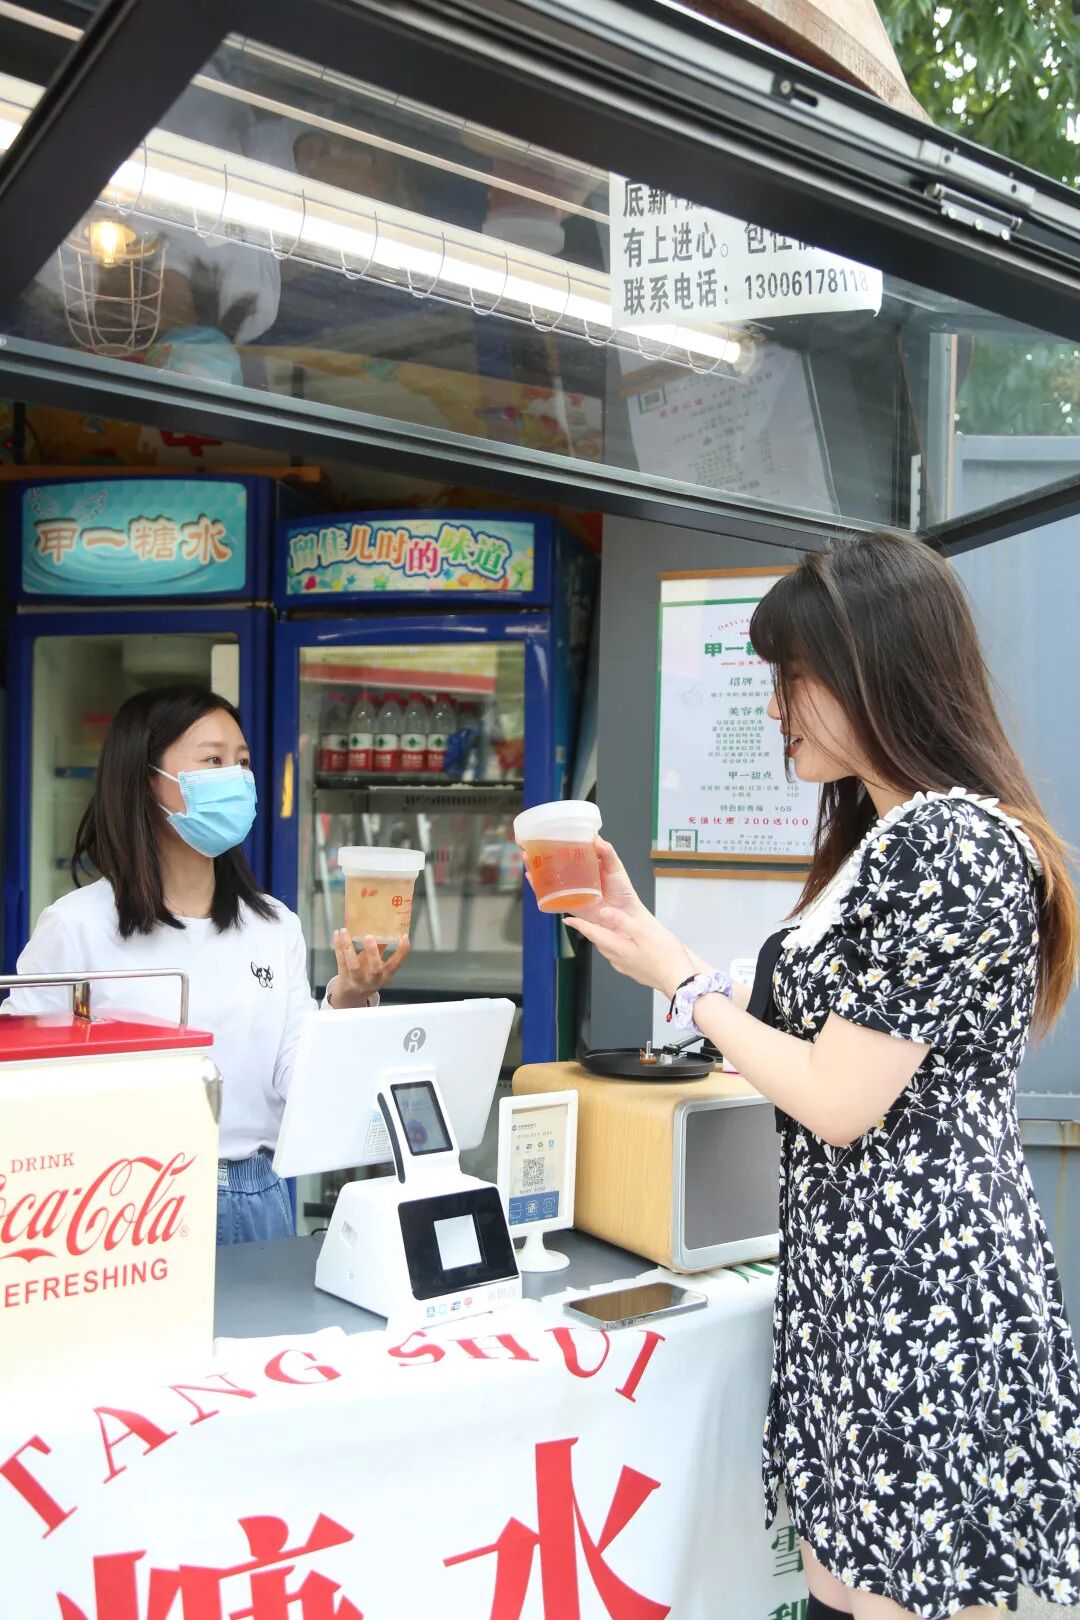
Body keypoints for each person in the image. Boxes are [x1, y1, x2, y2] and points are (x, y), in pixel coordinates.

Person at [565, 533, 1080, 1619]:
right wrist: (653, 942)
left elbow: (841, 1099)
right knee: (845, 1589)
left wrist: (683, 982)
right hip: (866, 1280)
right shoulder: (885, 839)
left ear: (874, 669)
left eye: (792, 676)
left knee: (885, 1595)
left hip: (921, 1291)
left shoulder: (947, 842)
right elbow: (797, 1033)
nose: (774, 707)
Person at [2, 685, 409, 1245]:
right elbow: (22, 1085)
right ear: (146, 778)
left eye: (242, 762)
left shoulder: (274, 925)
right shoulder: (76, 925)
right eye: (213, 761)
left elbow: (298, 1080)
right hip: (125, 1203)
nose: (236, 778)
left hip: (260, 1194)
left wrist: (349, 997)